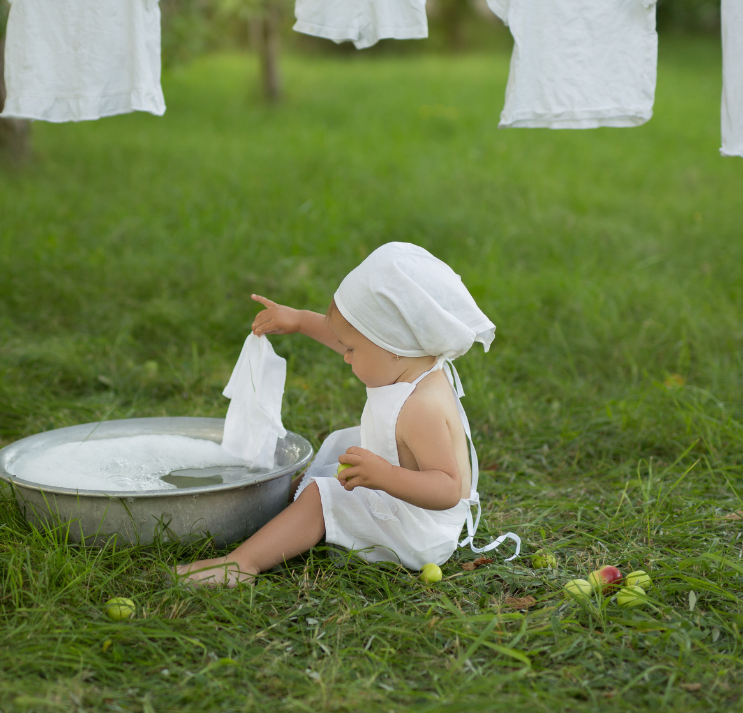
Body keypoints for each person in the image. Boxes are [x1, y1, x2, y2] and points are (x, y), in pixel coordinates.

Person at [176, 242, 519, 586]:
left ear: (394, 348)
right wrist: (296, 320)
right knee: (327, 462)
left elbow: (446, 488)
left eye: (352, 349)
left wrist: (384, 475)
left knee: (322, 497)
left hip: (423, 528)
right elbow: (343, 334)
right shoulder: (407, 358)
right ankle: (274, 524)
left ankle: (240, 564)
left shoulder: (422, 407)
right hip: (403, 492)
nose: (344, 355)